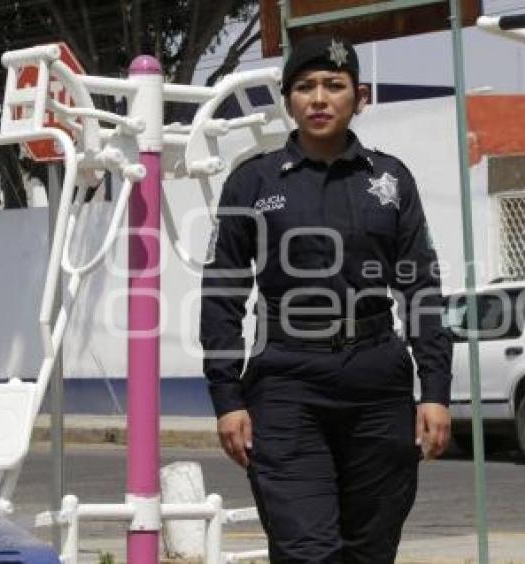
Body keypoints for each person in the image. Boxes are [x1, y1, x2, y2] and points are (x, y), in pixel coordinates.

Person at [200, 35, 452, 563]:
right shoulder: (253, 181)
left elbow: (421, 287)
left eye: (334, 86)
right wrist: (227, 397)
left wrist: (434, 391)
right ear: (288, 98)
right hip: (287, 384)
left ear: (359, 97)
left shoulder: (390, 179)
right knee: (304, 551)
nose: (319, 98)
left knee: (370, 550)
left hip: (379, 386)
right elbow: (223, 293)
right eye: (305, 86)